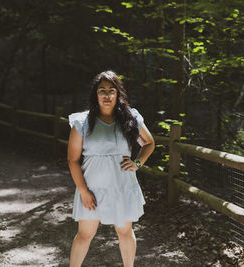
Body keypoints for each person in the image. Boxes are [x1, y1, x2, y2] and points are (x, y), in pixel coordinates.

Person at [67, 70, 155, 267]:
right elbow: (72, 160)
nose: (107, 95)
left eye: (111, 90)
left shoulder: (130, 119)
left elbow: (149, 143)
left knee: (125, 232)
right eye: (102, 91)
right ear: (95, 94)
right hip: (91, 189)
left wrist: (137, 163)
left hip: (122, 186)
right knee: (84, 234)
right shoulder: (82, 122)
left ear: (118, 93)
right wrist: (83, 191)